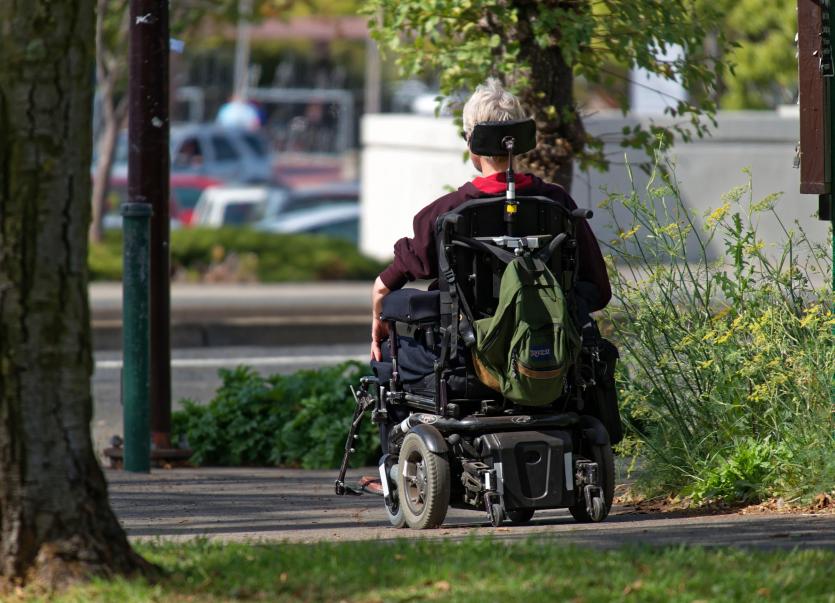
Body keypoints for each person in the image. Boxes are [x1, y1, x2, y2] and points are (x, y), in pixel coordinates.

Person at [369, 78, 611, 362]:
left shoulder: (445, 213)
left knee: (389, 352)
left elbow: (383, 288)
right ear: (521, 139)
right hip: (547, 356)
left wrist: (378, 324)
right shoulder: (557, 205)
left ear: (471, 140)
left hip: (464, 359)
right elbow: (599, 290)